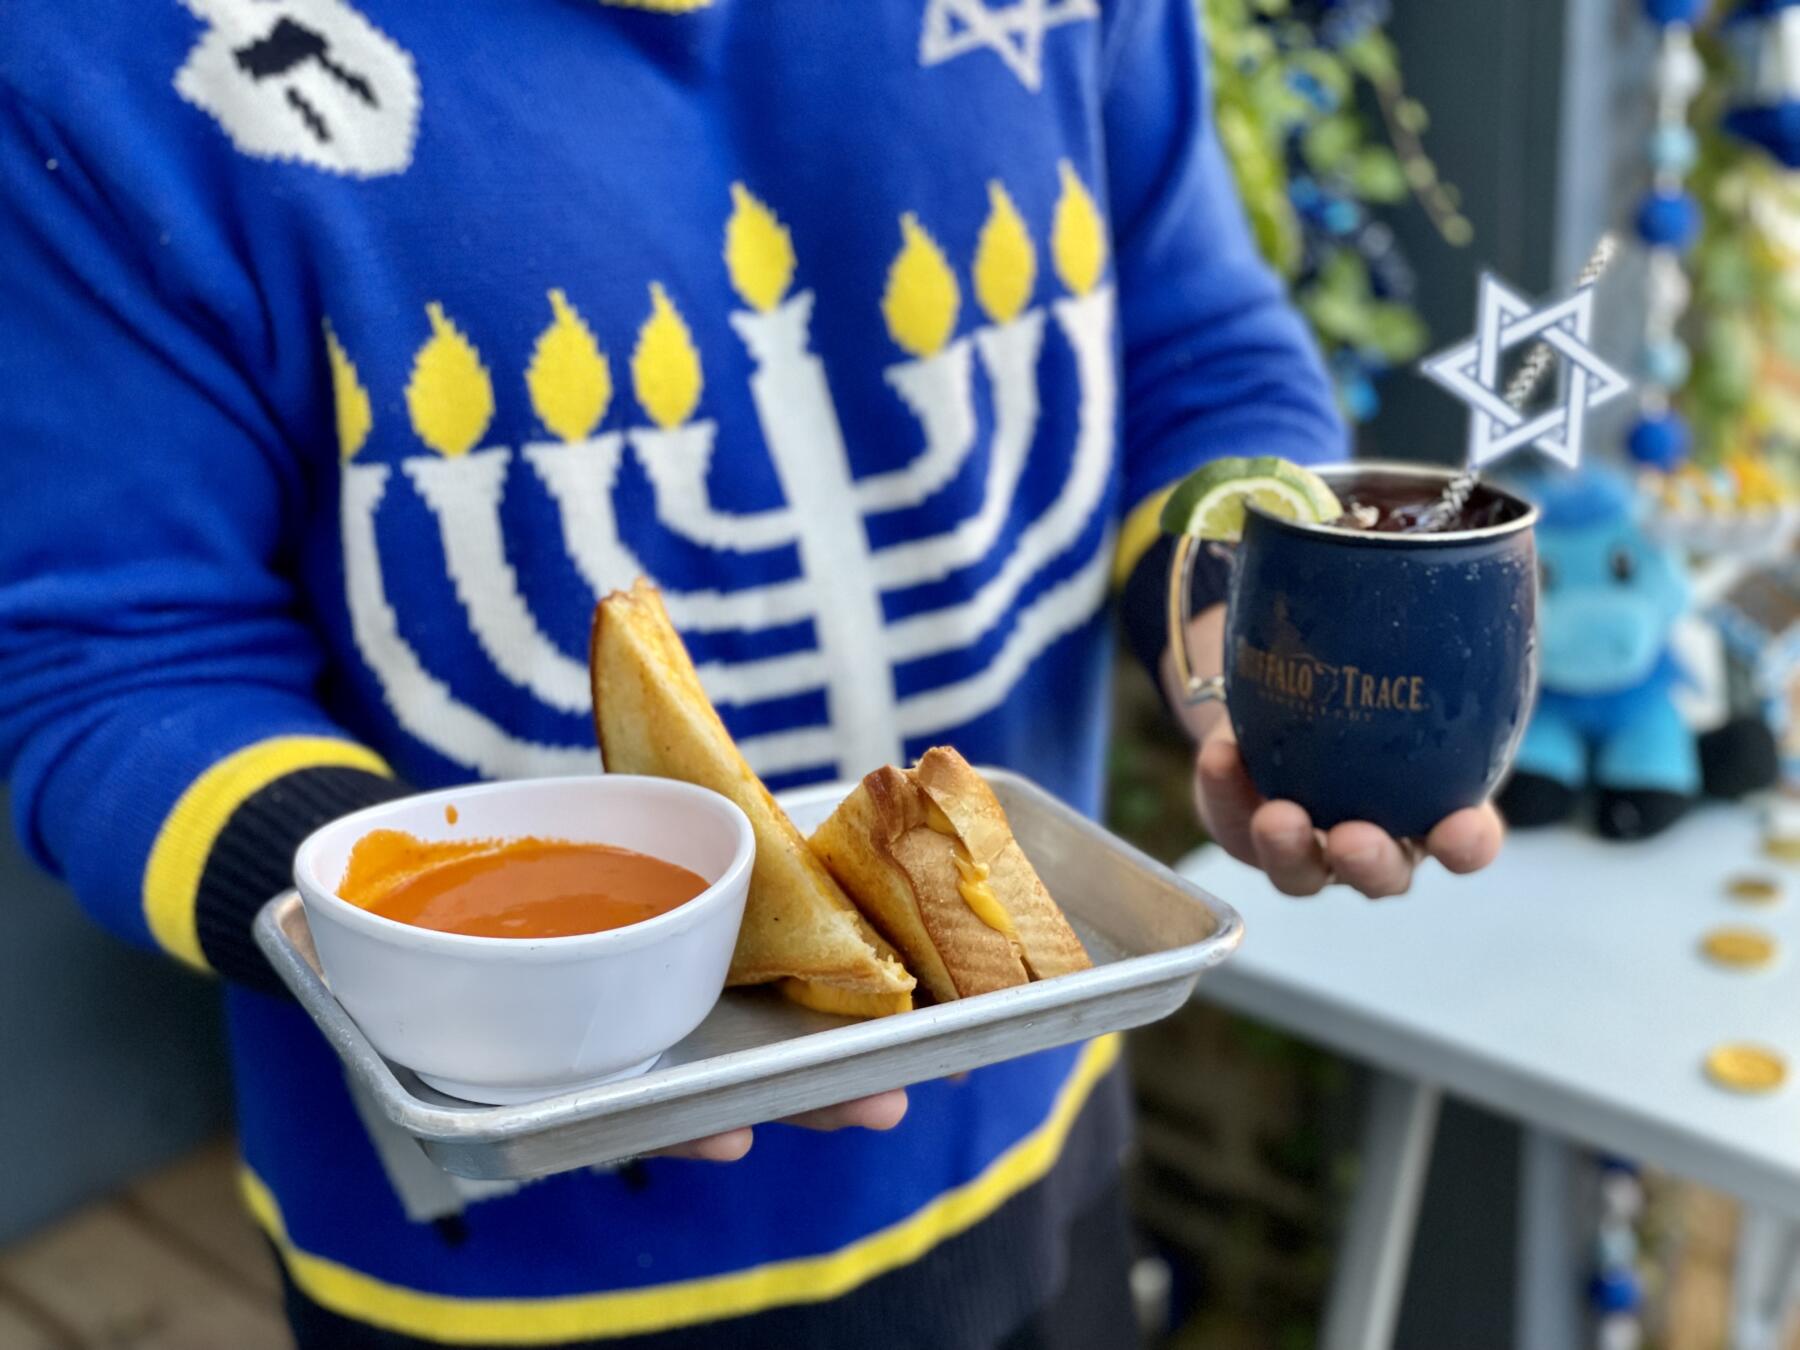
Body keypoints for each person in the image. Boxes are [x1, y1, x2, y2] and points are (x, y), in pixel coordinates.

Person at [0, 2, 1501, 1347]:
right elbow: (110, 659)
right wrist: (457, 950)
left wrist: (1254, 652)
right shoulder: (104, 52)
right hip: (499, 1277)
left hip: (1024, 1135)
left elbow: (1193, 346)